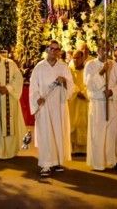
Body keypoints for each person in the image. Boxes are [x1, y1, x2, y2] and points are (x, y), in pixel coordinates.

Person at [30, 40, 74, 177]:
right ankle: (45, 164)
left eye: (57, 49)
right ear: (47, 50)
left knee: (58, 133)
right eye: (52, 49)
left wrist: (65, 82)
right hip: (44, 106)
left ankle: (57, 162)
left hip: (59, 106)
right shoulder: (39, 67)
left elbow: (71, 86)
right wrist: (37, 98)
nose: (54, 52)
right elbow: (33, 87)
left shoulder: (63, 66)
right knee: (46, 134)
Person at [84, 41, 117, 170]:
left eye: (108, 49)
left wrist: (112, 92)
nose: (105, 52)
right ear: (97, 50)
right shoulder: (90, 65)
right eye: (102, 49)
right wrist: (102, 71)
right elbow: (89, 84)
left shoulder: (115, 66)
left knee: (113, 133)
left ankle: (113, 160)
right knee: (98, 134)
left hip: (112, 103)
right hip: (97, 104)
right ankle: (98, 163)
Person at [68, 50, 89, 154]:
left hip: (85, 100)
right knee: (74, 122)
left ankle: (85, 149)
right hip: (74, 100)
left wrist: (85, 93)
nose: (75, 60)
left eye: (77, 58)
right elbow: (69, 83)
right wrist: (77, 92)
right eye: (74, 58)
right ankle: (74, 149)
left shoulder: (88, 69)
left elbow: (90, 83)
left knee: (85, 122)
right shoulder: (69, 70)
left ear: (83, 58)